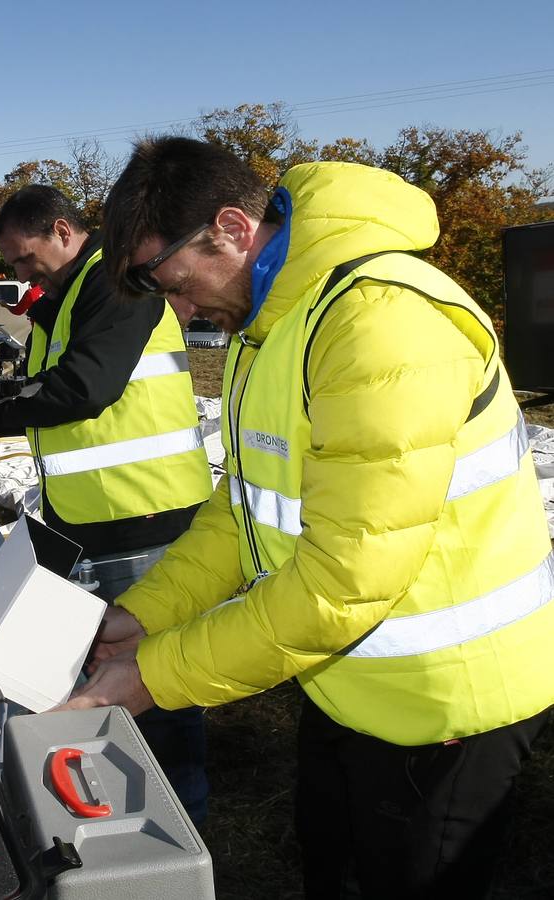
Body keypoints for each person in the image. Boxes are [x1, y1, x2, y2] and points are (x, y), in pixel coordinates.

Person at [77, 135, 554, 899]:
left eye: (172, 280)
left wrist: (152, 678)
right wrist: (145, 614)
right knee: (329, 859)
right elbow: (244, 513)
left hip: (447, 700)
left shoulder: (379, 324)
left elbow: (346, 582)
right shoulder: (270, 323)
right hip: (347, 680)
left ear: (231, 229)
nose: (178, 307)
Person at [0, 185, 214, 821]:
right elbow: (46, 392)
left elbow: (83, 389)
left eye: (26, 258)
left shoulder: (118, 288)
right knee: (104, 666)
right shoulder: (68, 297)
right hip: (92, 515)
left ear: (62, 230)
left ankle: (179, 815)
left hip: (144, 517)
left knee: (157, 677)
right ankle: (114, 795)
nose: (20, 273)